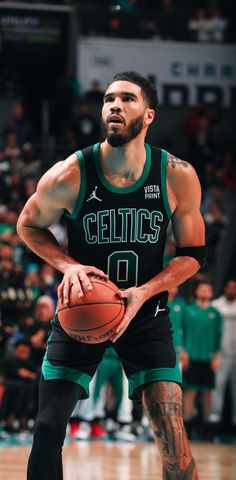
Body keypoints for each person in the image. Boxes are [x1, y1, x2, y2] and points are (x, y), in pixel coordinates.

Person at [17, 71, 205, 479]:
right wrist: (69, 265)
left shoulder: (177, 175)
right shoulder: (71, 172)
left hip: (146, 316)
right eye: (108, 99)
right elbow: (27, 225)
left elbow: (192, 255)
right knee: (47, 429)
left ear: (150, 114)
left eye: (127, 98)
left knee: (173, 438)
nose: (114, 105)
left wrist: (145, 291)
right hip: (82, 311)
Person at [181, 282, 222, 437]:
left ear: (212, 293)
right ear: (197, 291)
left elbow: (219, 336)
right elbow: (182, 332)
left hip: (208, 358)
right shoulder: (188, 310)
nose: (205, 292)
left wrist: (217, 355)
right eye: (202, 289)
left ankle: (206, 425)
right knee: (189, 391)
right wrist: (183, 351)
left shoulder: (216, 313)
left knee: (207, 393)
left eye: (208, 289)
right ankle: (188, 425)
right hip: (191, 357)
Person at [210, 280, 236, 428]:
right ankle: (214, 422)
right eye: (229, 287)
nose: (231, 290)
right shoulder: (216, 306)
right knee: (217, 389)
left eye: (234, 288)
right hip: (222, 354)